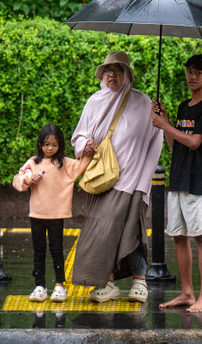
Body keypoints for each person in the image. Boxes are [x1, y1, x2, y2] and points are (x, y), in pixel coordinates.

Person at [71, 51, 163, 303]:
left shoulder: (144, 103)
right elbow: (79, 135)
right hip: (102, 180)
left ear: (127, 75)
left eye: (118, 70)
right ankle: (108, 282)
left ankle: (140, 283)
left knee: (131, 232)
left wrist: (144, 184)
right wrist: (85, 146)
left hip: (132, 181)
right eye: (108, 70)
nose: (112, 74)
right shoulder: (95, 101)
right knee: (103, 234)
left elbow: (156, 143)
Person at [151, 54, 202, 312]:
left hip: (197, 181)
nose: (192, 76)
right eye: (189, 71)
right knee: (179, 236)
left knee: (200, 236)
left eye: (198, 72)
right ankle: (187, 293)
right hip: (178, 178)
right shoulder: (183, 107)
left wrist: (165, 125)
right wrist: (166, 121)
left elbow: (194, 142)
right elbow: (175, 145)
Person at [12, 124, 95, 303]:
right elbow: (17, 180)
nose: (50, 148)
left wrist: (88, 151)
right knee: (38, 251)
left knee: (57, 250)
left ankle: (59, 286)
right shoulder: (33, 163)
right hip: (37, 215)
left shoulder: (64, 163)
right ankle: (39, 286)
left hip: (56, 215)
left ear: (61, 145)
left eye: (55, 145)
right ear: (40, 144)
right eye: (46, 144)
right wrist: (28, 178)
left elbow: (81, 166)